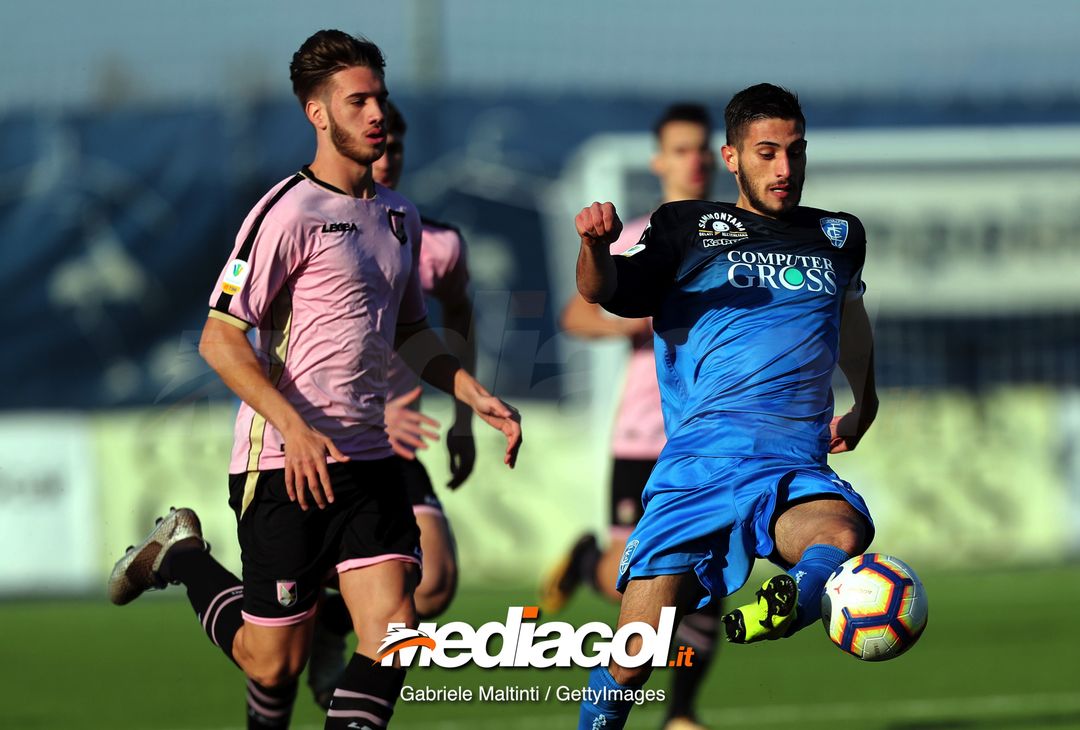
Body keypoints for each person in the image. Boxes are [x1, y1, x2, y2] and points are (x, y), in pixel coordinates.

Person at [106, 30, 521, 730]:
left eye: (380, 98)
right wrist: (295, 427)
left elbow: (412, 334)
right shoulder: (287, 213)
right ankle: (182, 555)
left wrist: (473, 395)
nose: (375, 114)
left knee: (395, 635)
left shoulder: (399, 216)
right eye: (357, 101)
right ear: (317, 114)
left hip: (371, 462)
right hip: (285, 463)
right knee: (273, 662)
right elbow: (219, 339)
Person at [572, 83, 877, 730]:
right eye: (767, 152)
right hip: (700, 463)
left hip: (792, 456)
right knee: (635, 655)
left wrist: (865, 399)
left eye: (795, 152)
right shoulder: (687, 230)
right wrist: (596, 250)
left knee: (844, 532)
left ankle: (792, 601)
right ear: (732, 157)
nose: (785, 169)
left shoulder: (838, 236)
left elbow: (851, 320)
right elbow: (608, 293)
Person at [540, 103, 721, 730]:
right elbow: (576, 314)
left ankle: (682, 714)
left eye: (701, 147)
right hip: (643, 434)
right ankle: (592, 560)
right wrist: (648, 313)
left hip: (709, 436)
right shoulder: (641, 235)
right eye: (679, 149)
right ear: (659, 161)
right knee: (634, 588)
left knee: (706, 581)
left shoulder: (738, 237)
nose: (692, 160)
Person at [305, 100, 477, 709]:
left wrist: (462, 421)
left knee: (432, 587)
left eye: (395, 146)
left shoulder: (435, 240)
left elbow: (458, 318)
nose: (386, 155)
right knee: (275, 631)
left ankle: (335, 628)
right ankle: (318, 615)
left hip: (388, 446)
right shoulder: (311, 219)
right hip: (316, 437)